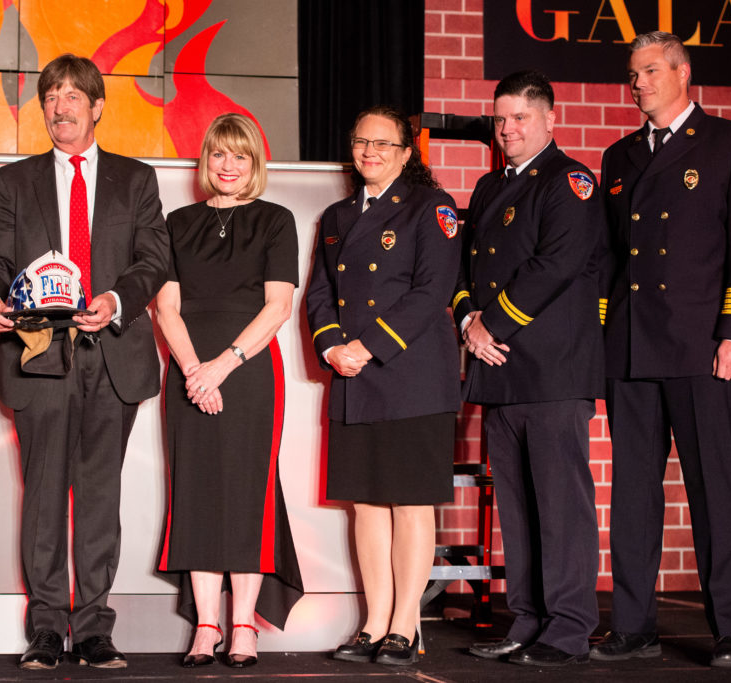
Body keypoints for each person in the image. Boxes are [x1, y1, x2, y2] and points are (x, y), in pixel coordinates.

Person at [0, 54, 169, 670]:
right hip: (38, 355)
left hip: (113, 356)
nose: (60, 107)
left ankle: (93, 629)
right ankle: (45, 629)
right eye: (51, 97)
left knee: (100, 496)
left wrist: (115, 300)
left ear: (97, 106)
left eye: (72, 97)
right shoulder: (13, 182)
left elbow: (152, 260)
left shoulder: (136, 180)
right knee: (43, 498)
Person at [592, 32, 731, 669]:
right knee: (633, 494)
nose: (637, 82)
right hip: (633, 350)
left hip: (702, 346)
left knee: (713, 489)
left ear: (681, 72)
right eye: (632, 73)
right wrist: (603, 341)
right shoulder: (618, 158)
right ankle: (634, 626)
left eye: (648, 71)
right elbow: (609, 264)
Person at [456, 70, 604, 667]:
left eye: (520, 117)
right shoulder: (492, 187)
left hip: (551, 371)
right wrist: (469, 321)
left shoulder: (569, 182)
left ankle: (567, 629)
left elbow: (556, 266)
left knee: (560, 506)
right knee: (516, 505)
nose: (508, 129)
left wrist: (492, 324)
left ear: (549, 120)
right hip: (500, 371)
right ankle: (527, 620)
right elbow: (466, 268)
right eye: (501, 119)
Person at [306, 105, 461, 666]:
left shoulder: (431, 207)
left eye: (382, 143)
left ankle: (406, 625)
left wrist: (366, 346)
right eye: (360, 142)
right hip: (352, 376)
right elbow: (319, 294)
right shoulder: (337, 215)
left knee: (411, 503)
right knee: (366, 506)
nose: (368, 152)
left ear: (405, 152)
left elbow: (432, 290)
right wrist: (330, 347)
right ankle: (373, 622)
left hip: (412, 375)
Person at [154, 113, 304, 668]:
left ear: (255, 163)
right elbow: (165, 306)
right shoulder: (177, 221)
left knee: (247, 493)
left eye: (240, 156)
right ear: (206, 160)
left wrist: (222, 366)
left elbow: (279, 306)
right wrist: (194, 370)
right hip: (188, 369)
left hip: (250, 370)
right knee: (194, 491)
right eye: (219, 154)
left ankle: (244, 625)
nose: (229, 166)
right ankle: (205, 625)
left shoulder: (275, 220)